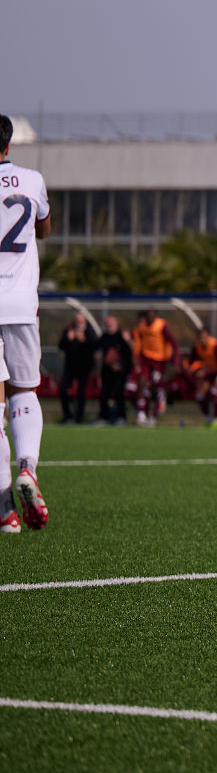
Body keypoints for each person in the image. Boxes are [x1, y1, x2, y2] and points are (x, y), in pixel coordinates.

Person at [0, 117, 52, 532]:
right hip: (19, 303)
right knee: (25, 390)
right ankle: (28, 467)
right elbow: (44, 228)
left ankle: (5, 513)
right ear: (8, 144)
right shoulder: (31, 180)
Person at [131, 307, 177, 425]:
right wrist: (137, 359)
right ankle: (141, 415)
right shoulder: (141, 327)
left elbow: (172, 342)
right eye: (148, 315)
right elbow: (138, 344)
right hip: (146, 360)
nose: (150, 318)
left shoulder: (161, 325)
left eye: (152, 315)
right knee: (141, 384)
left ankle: (154, 415)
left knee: (155, 388)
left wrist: (174, 360)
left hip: (159, 361)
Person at [186, 327, 217, 428]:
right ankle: (209, 418)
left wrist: (204, 372)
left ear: (208, 336)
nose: (202, 339)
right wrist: (192, 370)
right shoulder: (198, 347)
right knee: (200, 395)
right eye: (200, 337)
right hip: (211, 373)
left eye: (204, 336)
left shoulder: (215, 345)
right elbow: (191, 362)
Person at [57, 312, 95, 425]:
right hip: (70, 366)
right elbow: (61, 345)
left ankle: (79, 418)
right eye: (77, 319)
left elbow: (94, 346)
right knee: (63, 390)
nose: (79, 321)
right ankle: (67, 416)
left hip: (84, 366)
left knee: (81, 392)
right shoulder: (69, 330)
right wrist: (68, 338)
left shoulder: (89, 331)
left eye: (81, 319)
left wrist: (83, 340)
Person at [95, 314, 131, 425]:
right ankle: (104, 417)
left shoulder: (122, 336)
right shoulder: (104, 337)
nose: (109, 325)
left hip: (120, 372)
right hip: (106, 372)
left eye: (111, 322)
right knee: (104, 394)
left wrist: (120, 365)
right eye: (107, 323)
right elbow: (96, 349)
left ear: (116, 323)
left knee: (118, 393)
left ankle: (121, 417)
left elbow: (128, 355)